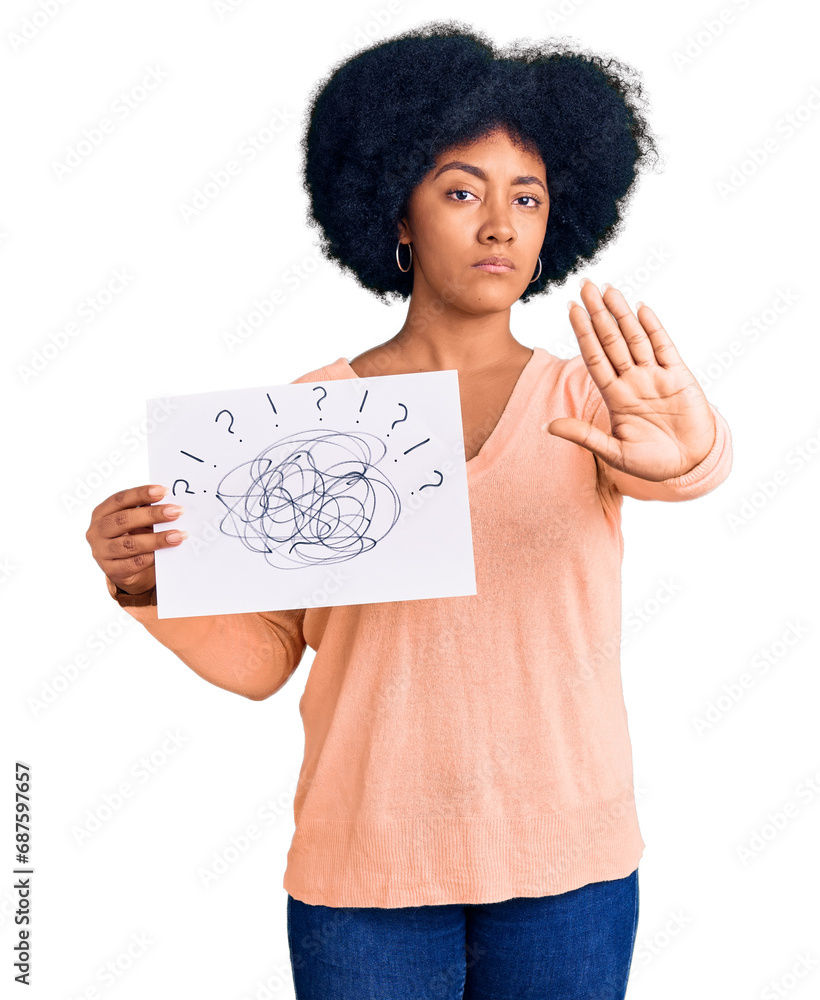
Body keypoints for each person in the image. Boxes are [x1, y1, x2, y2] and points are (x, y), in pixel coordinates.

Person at [85, 21, 733, 1000]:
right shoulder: (304, 416)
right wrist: (143, 581)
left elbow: (682, 466)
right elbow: (264, 660)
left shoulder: (595, 397)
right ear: (395, 211)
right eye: (462, 191)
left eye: (528, 197)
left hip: (569, 867)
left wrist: (689, 451)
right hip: (366, 874)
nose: (500, 225)